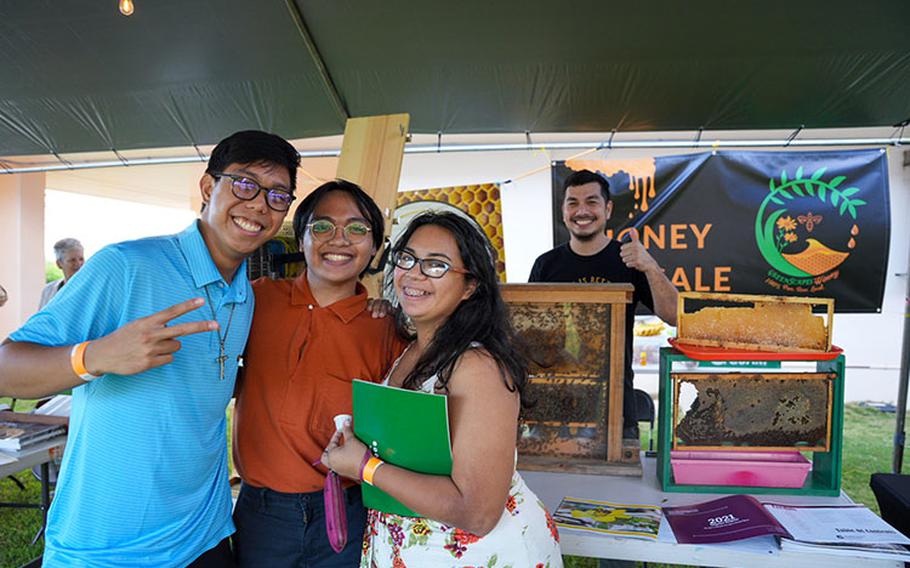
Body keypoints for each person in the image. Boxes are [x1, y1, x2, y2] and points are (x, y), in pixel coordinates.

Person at [0, 129, 300, 567]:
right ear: (206, 187)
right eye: (245, 183)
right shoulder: (126, 265)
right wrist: (96, 356)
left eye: (278, 195)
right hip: (109, 549)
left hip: (206, 535)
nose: (259, 204)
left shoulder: (245, 294)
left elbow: (206, 381)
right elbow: (7, 366)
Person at [323, 211, 563, 567]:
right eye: (407, 258)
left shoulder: (477, 367)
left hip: (480, 556)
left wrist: (363, 466)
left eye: (436, 265)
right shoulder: (412, 349)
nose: (414, 273)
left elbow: (478, 513)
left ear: (470, 286)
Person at [232, 179, 404, 567]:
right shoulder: (256, 301)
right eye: (323, 226)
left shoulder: (386, 329)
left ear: (375, 246)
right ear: (302, 239)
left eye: (357, 229)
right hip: (261, 514)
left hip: (347, 511)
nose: (339, 240)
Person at [529, 169, 678, 440]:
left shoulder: (629, 260)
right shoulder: (545, 265)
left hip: (616, 412)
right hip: (554, 411)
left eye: (592, 201)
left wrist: (650, 267)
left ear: (607, 209)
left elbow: (675, 316)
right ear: (563, 211)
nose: (581, 210)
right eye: (572, 202)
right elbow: (532, 336)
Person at [39, 238, 85, 309]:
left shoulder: (93, 289)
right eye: (72, 260)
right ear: (59, 264)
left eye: (81, 259)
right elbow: (41, 318)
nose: (78, 264)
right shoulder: (48, 291)